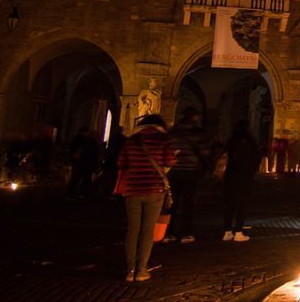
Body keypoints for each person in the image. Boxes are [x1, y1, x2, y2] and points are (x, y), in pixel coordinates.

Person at [115, 114, 176, 282]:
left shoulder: (131, 140)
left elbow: (121, 163)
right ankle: (141, 270)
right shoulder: (164, 139)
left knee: (133, 229)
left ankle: (130, 270)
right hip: (154, 189)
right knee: (148, 230)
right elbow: (170, 161)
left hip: (133, 189)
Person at [165, 109, 211, 243]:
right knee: (188, 202)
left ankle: (169, 232)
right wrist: (207, 165)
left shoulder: (173, 132)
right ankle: (186, 233)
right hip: (191, 170)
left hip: (174, 169)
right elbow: (204, 151)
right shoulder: (197, 133)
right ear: (195, 117)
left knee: (172, 201)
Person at [221, 120, 261, 241]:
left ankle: (227, 231)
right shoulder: (251, 141)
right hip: (245, 176)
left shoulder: (231, 140)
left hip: (231, 174)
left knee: (230, 203)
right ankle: (238, 231)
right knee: (242, 203)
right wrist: (253, 170)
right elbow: (256, 158)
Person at [67, 127, 100, 200]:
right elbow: (95, 154)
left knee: (75, 178)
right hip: (87, 163)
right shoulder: (91, 141)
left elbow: (71, 149)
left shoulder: (76, 139)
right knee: (86, 179)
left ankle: (70, 193)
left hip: (79, 162)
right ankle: (83, 194)